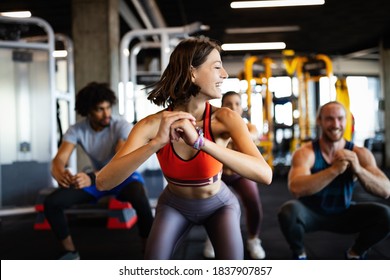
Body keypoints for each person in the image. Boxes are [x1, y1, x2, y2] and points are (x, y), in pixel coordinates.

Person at [96, 37, 273, 260]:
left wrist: (200, 142)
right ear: (192, 73)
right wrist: (156, 143)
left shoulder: (226, 119)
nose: (225, 74)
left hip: (219, 205)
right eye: (217, 67)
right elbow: (103, 182)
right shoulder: (151, 125)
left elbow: (265, 175)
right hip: (174, 205)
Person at [44, 82, 154, 260]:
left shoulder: (120, 125)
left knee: (139, 195)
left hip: (123, 176)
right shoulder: (76, 130)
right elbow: (60, 158)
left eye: (108, 108)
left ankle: (149, 250)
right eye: (99, 109)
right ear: (88, 111)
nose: (106, 114)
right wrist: (58, 172)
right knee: (52, 203)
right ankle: (70, 252)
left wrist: (91, 177)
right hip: (96, 180)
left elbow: (120, 159)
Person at [278, 101, 390, 260]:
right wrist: (334, 170)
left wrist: (358, 169)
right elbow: (296, 188)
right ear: (320, 121)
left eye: (340, 118)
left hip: (344, 211)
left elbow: (386, 190)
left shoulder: (360, 153)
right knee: (288, 211)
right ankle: (299, 253)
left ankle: (355, 253)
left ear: (346, 120)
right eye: (329, 119)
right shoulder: (305, 152)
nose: (335, 124)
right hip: (311, 213)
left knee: (386, 215)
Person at [203, 91, 266, 259]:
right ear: (222, 107)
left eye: (237, 104)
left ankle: (253, 239)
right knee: (210, 206)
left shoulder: (248, 127)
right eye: (229, 104)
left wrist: (235, 133)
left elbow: (252, 135)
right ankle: (212, 238)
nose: (233, 107)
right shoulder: (214, 125)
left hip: (239, 174)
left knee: (253, 204)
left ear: (241, 108)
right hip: (219, 174)